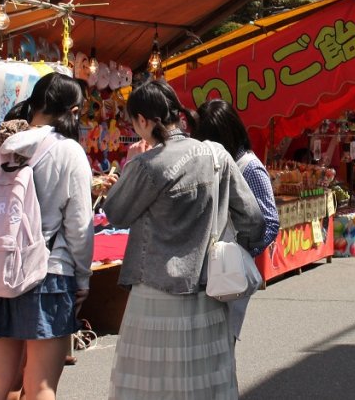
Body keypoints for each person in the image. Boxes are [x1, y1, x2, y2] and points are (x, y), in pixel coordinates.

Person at [104, 80, 265, 399]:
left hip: (155, 292)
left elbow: (116, 212)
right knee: (205, 383)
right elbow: (253, 219)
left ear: (144, 121)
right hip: (209, 289)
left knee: (153, 385)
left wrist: (131, 164)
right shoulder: (216, 154)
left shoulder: (147, 164)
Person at [0, 73, 93, 400]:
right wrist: (83, 279)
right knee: (40, 385)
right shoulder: (68, 151)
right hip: (48, 275)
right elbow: (79, 226)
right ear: (73, 111)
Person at [194, 99, 280, 338]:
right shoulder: (214, 164)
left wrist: (241, 252)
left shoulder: (249, 167)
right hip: (209, 269)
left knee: (223, 342)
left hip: (228, 269)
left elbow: (270, 222)